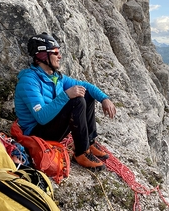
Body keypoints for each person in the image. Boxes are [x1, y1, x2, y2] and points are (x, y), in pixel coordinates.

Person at [14, 32, 116, 170]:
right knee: (76, 101)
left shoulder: (55, 77)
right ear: (43, 55)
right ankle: (81, 153)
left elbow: (86, 86)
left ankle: (89, 142)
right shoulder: (29, 81)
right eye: (55, 52)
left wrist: (104, 99)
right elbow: (42, 117)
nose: (60, 56)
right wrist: (66, 95)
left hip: (50, 126)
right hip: (36, 133)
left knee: (86, 94)